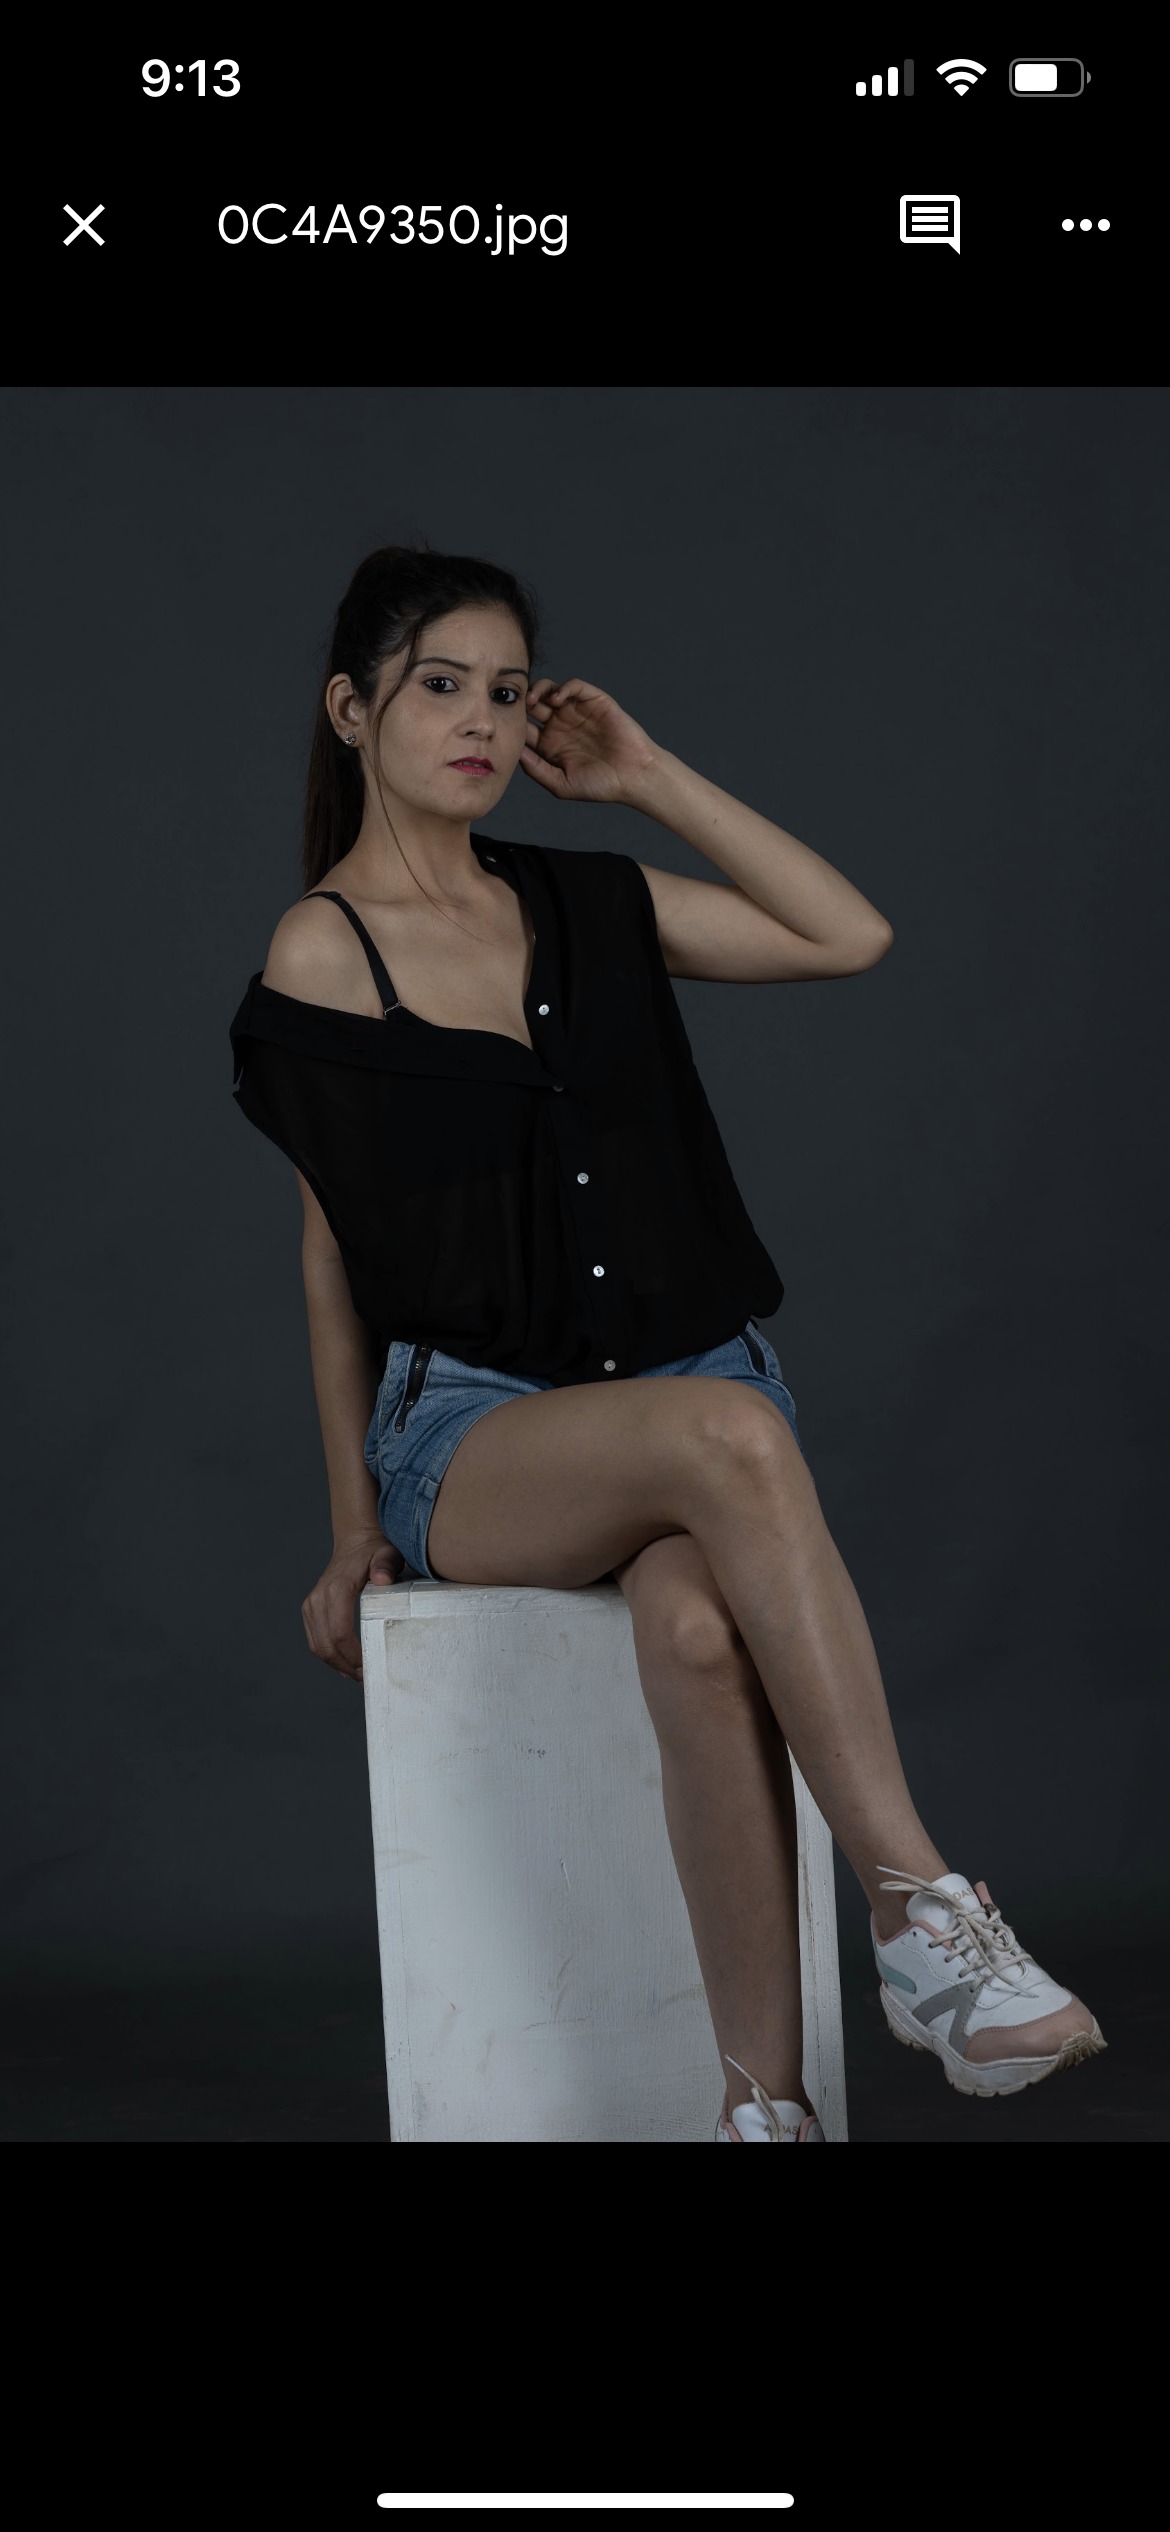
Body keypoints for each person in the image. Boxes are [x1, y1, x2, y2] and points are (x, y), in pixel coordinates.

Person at [229, 543, 1105, 2144]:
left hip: (685, 1399)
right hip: (479, 1433)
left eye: (507, 691)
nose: (482, 721)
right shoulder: (325, 951)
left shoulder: (591, 904)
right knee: (734, 1433)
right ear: (351, 709)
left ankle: (761, 2109)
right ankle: (917, 1911)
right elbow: (328, 1255)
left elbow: (847, 934)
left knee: (700, 1632)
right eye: (441, 686)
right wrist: (353, 1531)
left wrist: (643, 778)